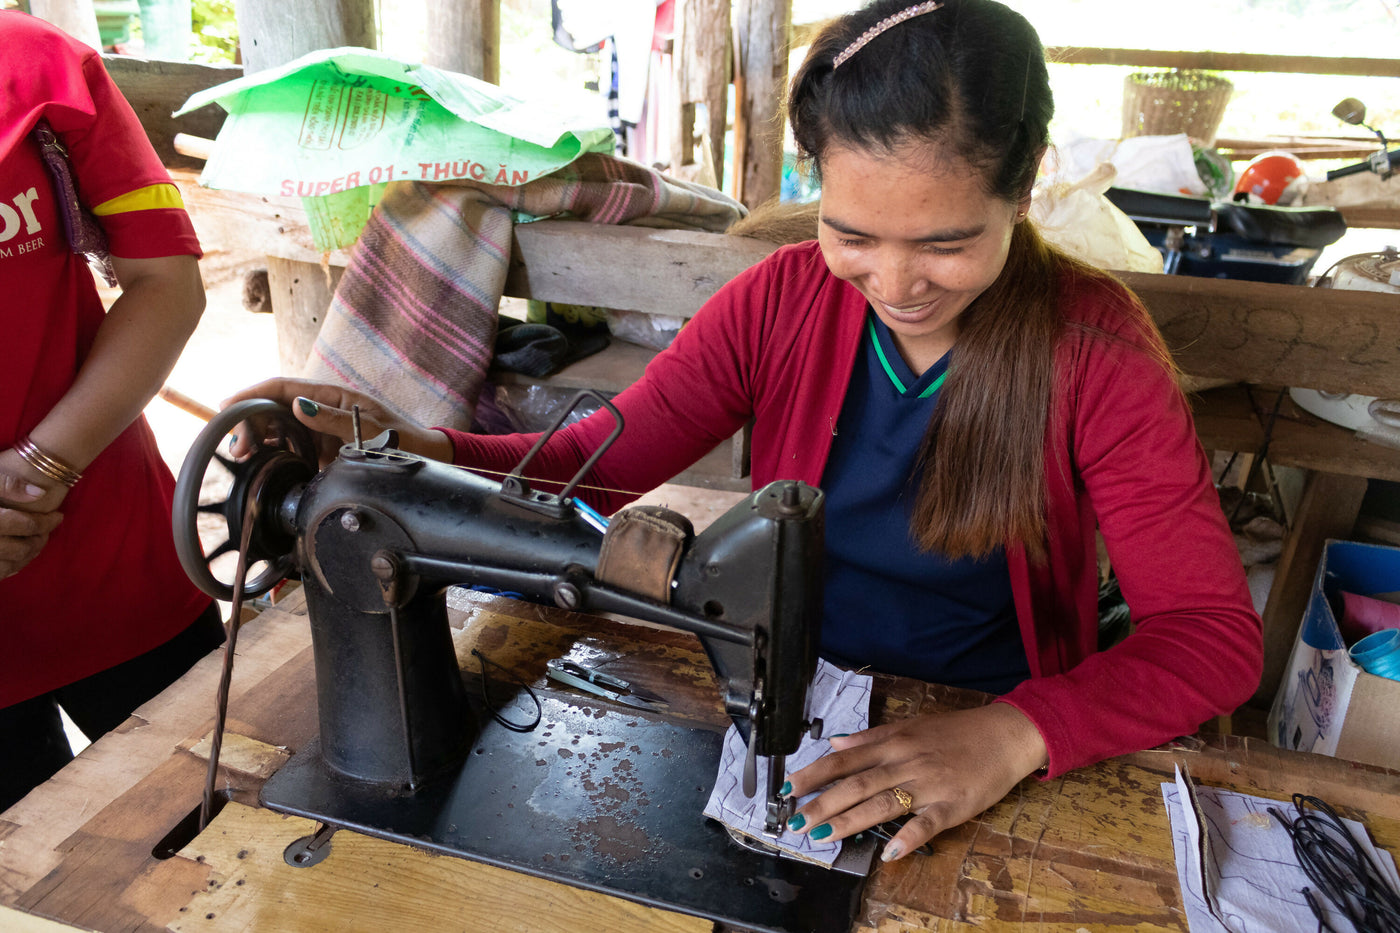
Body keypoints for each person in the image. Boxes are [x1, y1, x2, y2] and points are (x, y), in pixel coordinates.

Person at [227, 0, 1261, 861]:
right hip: (781, 686)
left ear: (1021, 187)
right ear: (813, 182)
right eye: (850, 234)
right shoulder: (781, 300)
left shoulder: (1093, 351)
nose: (895, 285)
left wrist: (1015, 732)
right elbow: (614, 456)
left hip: (978, 719)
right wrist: (420, 447)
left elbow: (1209, 640)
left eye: (944, 246)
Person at [0, 11, 222, 812]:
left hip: (113, 555)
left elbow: (166, 283)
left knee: (216, 832)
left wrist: (35, 469)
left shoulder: (39, 68)